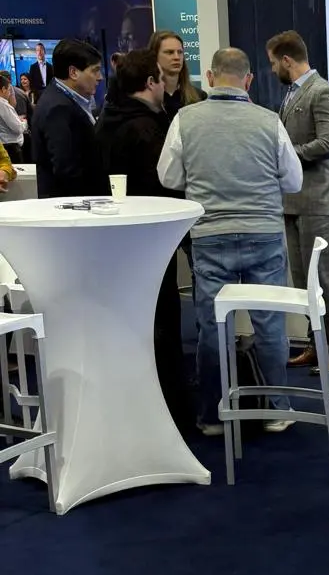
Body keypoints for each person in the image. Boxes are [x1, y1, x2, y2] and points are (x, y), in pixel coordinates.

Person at [157, 47, 302, 436]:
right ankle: (277, 409)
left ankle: (213, 415)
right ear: (248, 80)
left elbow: (168, 177)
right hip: (264, 235)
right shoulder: (269, 121)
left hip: (210, 235)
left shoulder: (185, 119)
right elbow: (293, 181)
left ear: (209, 77)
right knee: (269, 325)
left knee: (213, 326)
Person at [96, 49, 193, 433]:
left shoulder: (106, 122)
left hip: (118, 241)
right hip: (152, 240)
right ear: (151, 82)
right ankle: (169, 411)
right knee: (162, 321)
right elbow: (165, 184)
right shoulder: (147, 129)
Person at [267, 30, 329, 375]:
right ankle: (316, 344)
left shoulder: (324, 92)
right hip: (292, 202)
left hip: (318, 201)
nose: (272, 69)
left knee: (323, 279)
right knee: (304, 281)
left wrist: (286, 156)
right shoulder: (292, 93)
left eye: (274, 63)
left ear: (287, 60)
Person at [30, 38, 109, 199]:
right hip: (75, 205)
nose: (100, 77)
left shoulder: (63, 99)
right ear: (73, 72)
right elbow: (66, 169)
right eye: (95, 70)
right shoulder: (58, 108)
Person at [148, 29, 202, 120]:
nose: (177, 57)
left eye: (180, 52)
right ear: (154, 56)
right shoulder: (146, 100)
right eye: (170, 52)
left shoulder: (199, 97)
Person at [0, 74, 25, 161]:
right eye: (9, 90)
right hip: (10, 147)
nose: (10, 93)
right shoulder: (3, 104)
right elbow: (18, 128)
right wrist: (23, 123)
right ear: (3, 89)